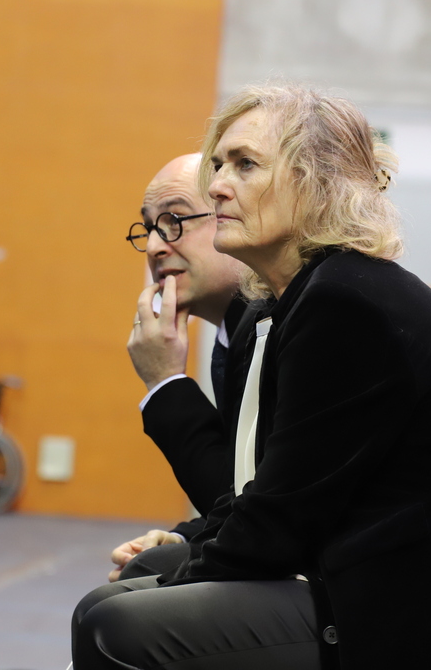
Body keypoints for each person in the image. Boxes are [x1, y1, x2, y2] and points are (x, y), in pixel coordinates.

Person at [71, 85, 431, 670]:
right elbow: (274, 494)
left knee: (112, 625)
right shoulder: (317, 294)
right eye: (219, 165)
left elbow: (278, 522)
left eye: (245, 165)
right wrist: (183, 559)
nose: (217, 185)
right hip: (370, 582)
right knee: (113, 603)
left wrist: (178, 577)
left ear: (317, 182)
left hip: (419, 615)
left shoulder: (344, 301)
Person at [110, 154, 246, 581]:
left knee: (116, 605)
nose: (154, 246)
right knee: (139, 573)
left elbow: (259, 518)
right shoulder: (231, 336)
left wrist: (165, 382)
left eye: (174, 221)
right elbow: (246, 492)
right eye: (149, 227)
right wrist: (184, 536)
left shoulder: (276, 327)